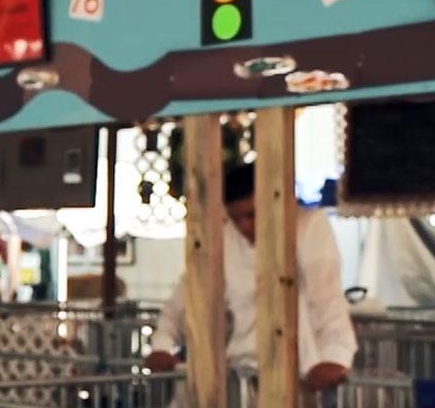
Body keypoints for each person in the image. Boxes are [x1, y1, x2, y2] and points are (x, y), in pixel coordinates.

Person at [146, 161, 355, 392]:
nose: (244, 226)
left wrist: (336, 356)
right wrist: (162, 345)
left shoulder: (309, 227)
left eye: (252, 215)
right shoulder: (226, 238)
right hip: (240, 375)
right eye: (236, 218)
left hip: (301, 380)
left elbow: (326, 300)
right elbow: (185, 297)